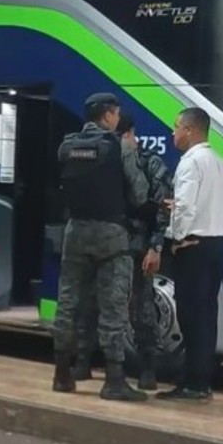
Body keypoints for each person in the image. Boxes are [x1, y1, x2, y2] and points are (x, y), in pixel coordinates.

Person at [52, 93, 149, 401]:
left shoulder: (67, 146)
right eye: (116, 113)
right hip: (111, 234)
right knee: (113, 306)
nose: (118, 118)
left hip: (75, 232)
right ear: (108, 115)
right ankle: (114, 380)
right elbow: (140, 194)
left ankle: (62, 375)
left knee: (68, 302)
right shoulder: (120, 146)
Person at [73, 112, 172, 390]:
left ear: (129, 134)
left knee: (142, 307)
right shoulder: (103, 160)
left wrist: (155, 246)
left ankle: (147, 369)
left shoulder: (149, 162)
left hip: (135, 247)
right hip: (103, 244)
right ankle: (84, 360)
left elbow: (162, 208)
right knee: (91, 303)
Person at [157, 107, 223, 401]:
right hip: (219, 243)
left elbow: (185, 207)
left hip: (194, 246)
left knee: (190, 315)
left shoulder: (190, 162)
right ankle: (202, 381)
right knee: (208, 314)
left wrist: (176, 238)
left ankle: (193, 385)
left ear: (189, 130)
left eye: (176, 127)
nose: (173, 133)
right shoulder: (221, 163)